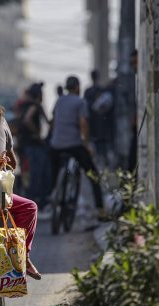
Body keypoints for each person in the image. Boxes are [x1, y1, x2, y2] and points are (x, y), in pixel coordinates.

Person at [0, 96, 42, 280]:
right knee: (29, 207)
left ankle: (22, 255)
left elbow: (9, 163)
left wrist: (0, 163)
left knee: (29, 207)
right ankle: (23, 256)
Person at [50, 75, 105, 220]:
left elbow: (54, 121)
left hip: (56, 145)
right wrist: (86, 144)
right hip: (74, 145)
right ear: (77, 87)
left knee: (53, 171)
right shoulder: (81, 102)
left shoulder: (59, 100)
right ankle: (100, 210)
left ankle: (53, 195)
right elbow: (83, 124)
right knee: (94, 176)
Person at [16, 82, 50, 207]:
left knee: (27, 174)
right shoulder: (35, 106)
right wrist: (36, 132)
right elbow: (27, 119)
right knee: (36, 175)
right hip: (33, 145)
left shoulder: (23, 105)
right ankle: (33, 202)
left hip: (24, 144)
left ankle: (24, 200)